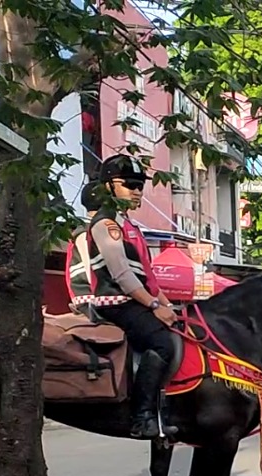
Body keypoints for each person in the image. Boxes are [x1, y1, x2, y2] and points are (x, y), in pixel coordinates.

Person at [80, 154, 176, 438]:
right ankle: (141, 416)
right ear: (108, 186)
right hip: (116, 303)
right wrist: (155, 306)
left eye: (140, 186)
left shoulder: (129, 226)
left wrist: (170, 306)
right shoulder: (106, 224)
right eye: (129, 185)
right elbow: (122, 275)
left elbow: (148, 277)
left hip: (135, 301)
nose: (137, 191)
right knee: (162, 344)